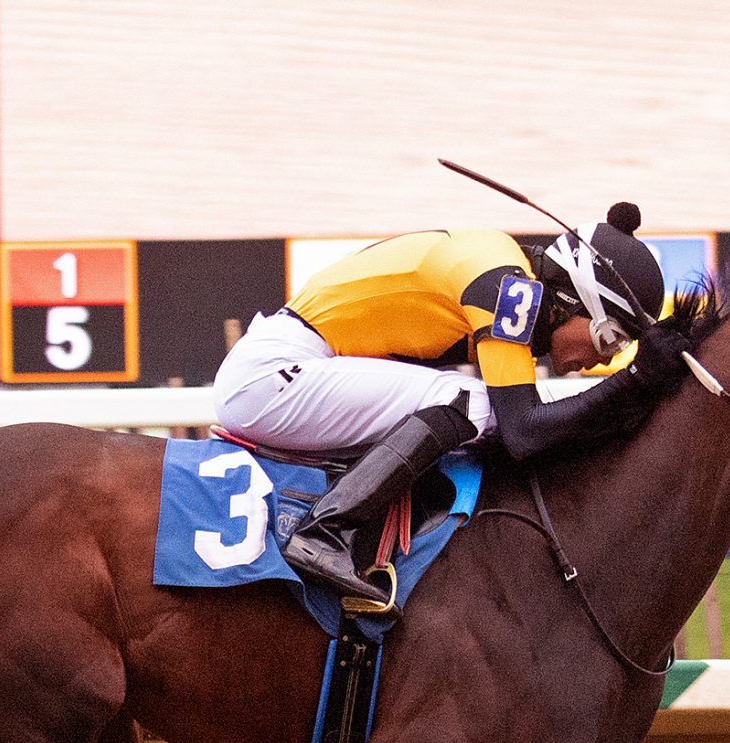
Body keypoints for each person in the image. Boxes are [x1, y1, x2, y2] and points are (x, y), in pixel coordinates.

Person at [213, 203, 690, 610]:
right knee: (470, 402)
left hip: (289, 367)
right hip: (273, 374)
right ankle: (325, 531)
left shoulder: (504, 273)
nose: (599, 361)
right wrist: (634, 380)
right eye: (609, 340)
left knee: (469, 405)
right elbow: (523, 430)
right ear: (571, 301)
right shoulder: (508, 288)